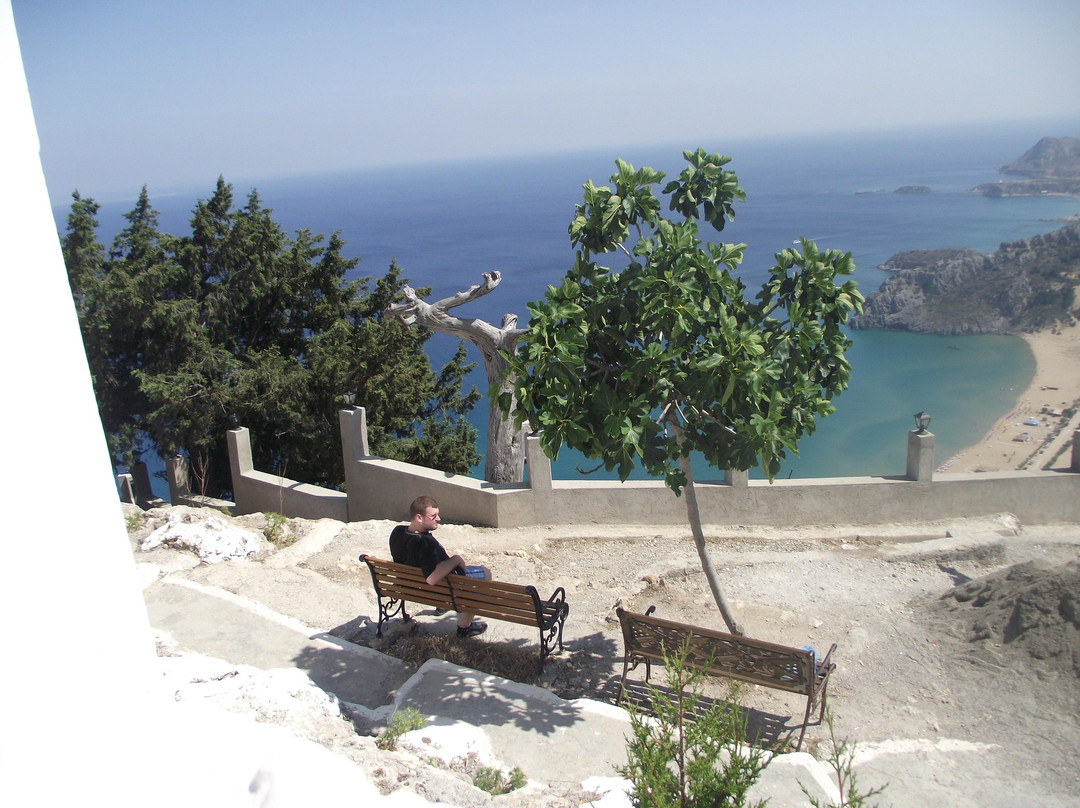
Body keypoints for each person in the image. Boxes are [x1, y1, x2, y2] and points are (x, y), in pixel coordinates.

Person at [388, 495, 491, 638]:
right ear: (419, 518)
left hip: (408, 586)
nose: (439, 519)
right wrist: (455, 560)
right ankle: (464, 627)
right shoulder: (425, 543)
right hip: (438, 587)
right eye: (433, 516)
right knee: (485, 574)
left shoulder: (397, 532)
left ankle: (443, 604)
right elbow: (431, 578)